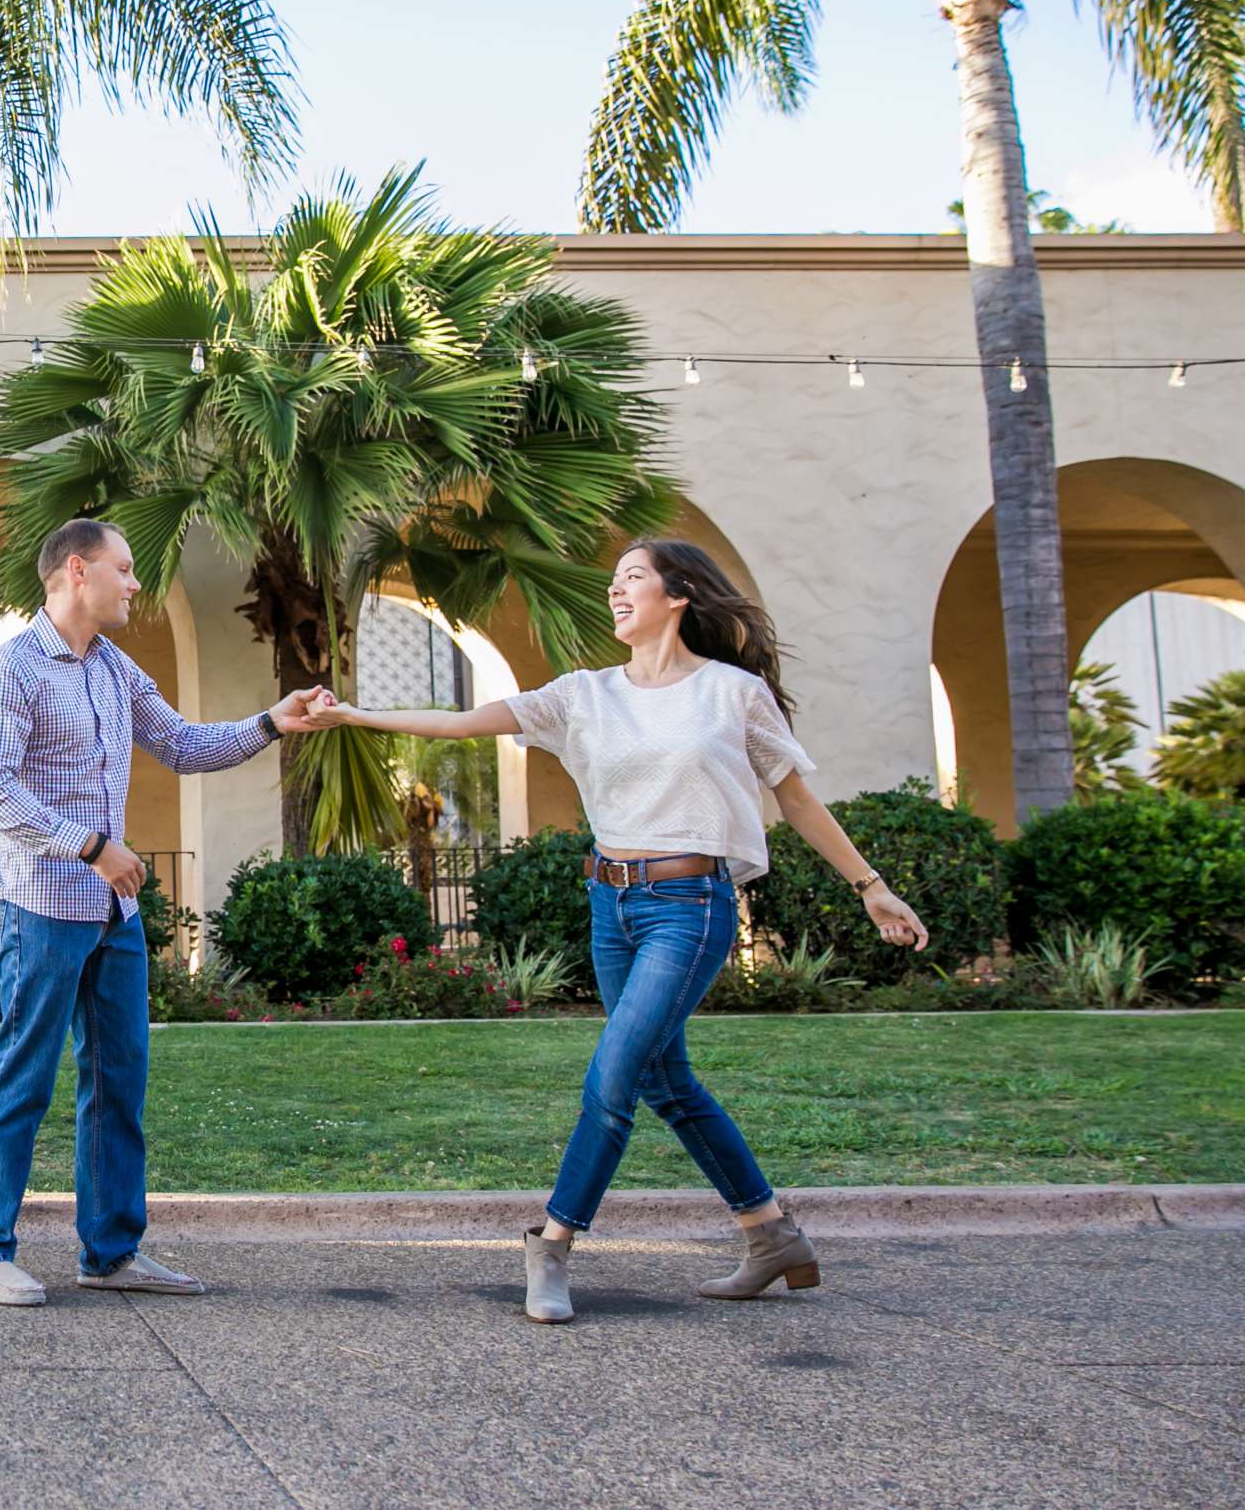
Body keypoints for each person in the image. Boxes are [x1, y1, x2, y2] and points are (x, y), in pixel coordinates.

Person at [305, 540, 927, 1324]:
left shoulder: (731, 695)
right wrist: (356, 712)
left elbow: (795, 799)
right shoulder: (584, 694)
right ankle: (771, 1235)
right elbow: (466, 721)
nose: (616, 591)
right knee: (668, 1082)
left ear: (680, 596)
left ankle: (553, 1240)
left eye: (633, 577)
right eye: (614, 582)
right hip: (611, 907)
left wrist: (871, 887)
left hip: (690, 906)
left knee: (614, 1078)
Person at [0, 518, 323, 1307]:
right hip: (39, 906)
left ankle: (111, 1252)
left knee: (119, 1080)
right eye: (125, 570)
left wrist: (271, 721)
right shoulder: (11, 670)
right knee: (23, 1073)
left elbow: (185, 745)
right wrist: (91, 846)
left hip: (110, 917)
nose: (134, 585)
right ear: (77, 571)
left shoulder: (115, 669)